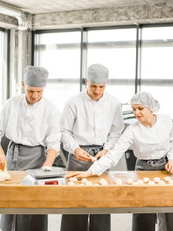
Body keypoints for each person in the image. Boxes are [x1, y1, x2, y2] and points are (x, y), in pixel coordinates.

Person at [68, 91, 173, 231]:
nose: (136, 113)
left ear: (150, 107)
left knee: (168, 207)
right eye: (134, 109)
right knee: (143, 210)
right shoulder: (132, 130)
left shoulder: (166, 120)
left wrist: (171, 160)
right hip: (143, 169)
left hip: (165, 169)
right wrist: (90, 171)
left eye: (140, 108)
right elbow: (114, 155)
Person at [0, 65, 61, 231]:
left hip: (37, 157)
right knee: (11, 198)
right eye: (30, 91)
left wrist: (47, 166)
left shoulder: (51, 110)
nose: (34, 96)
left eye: (39, 92)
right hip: (12, 155)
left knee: (34, 201)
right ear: (22, 85)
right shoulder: (11, 104)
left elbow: (54, 142)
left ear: (44, 88)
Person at [60, 64, 125, 231]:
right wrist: (75, 149)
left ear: (107, 83)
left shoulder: (115, 103)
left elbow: (117, 132)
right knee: (75, 202)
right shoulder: (73, 102)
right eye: (93, 86)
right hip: (78, 156)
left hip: (102, 157)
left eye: (101, 87)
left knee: (101, 202)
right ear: (86, 81)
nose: (97, 91)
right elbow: (64, 131)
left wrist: (107, 149)